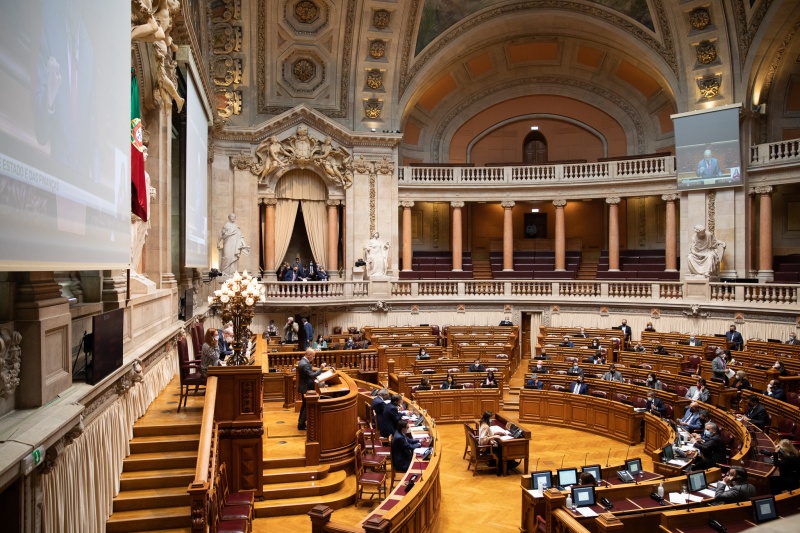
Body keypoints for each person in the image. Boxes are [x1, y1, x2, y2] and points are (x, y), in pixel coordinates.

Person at [297, 348, 326, 430]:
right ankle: (301, 424)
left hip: (304, 386)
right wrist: (321, 368)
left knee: (304, 405)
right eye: (313, 356)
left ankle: (300, 422)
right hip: (306, 387)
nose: (313, 358)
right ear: (309, 355)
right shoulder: (304, 364)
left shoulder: (303, 361)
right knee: (307, 406)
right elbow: (311, 375)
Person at [478, 411, 510, 476]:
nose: (491, 420)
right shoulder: (486, 426)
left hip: (487, 445)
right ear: (487, 418)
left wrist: (497, 433)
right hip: (486, 447)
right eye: (491, 418)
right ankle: (500, 470)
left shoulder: (482, 423)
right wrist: (494, 437)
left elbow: (487, 434)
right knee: (502, 450)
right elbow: (483, 439)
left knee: (500, 448)